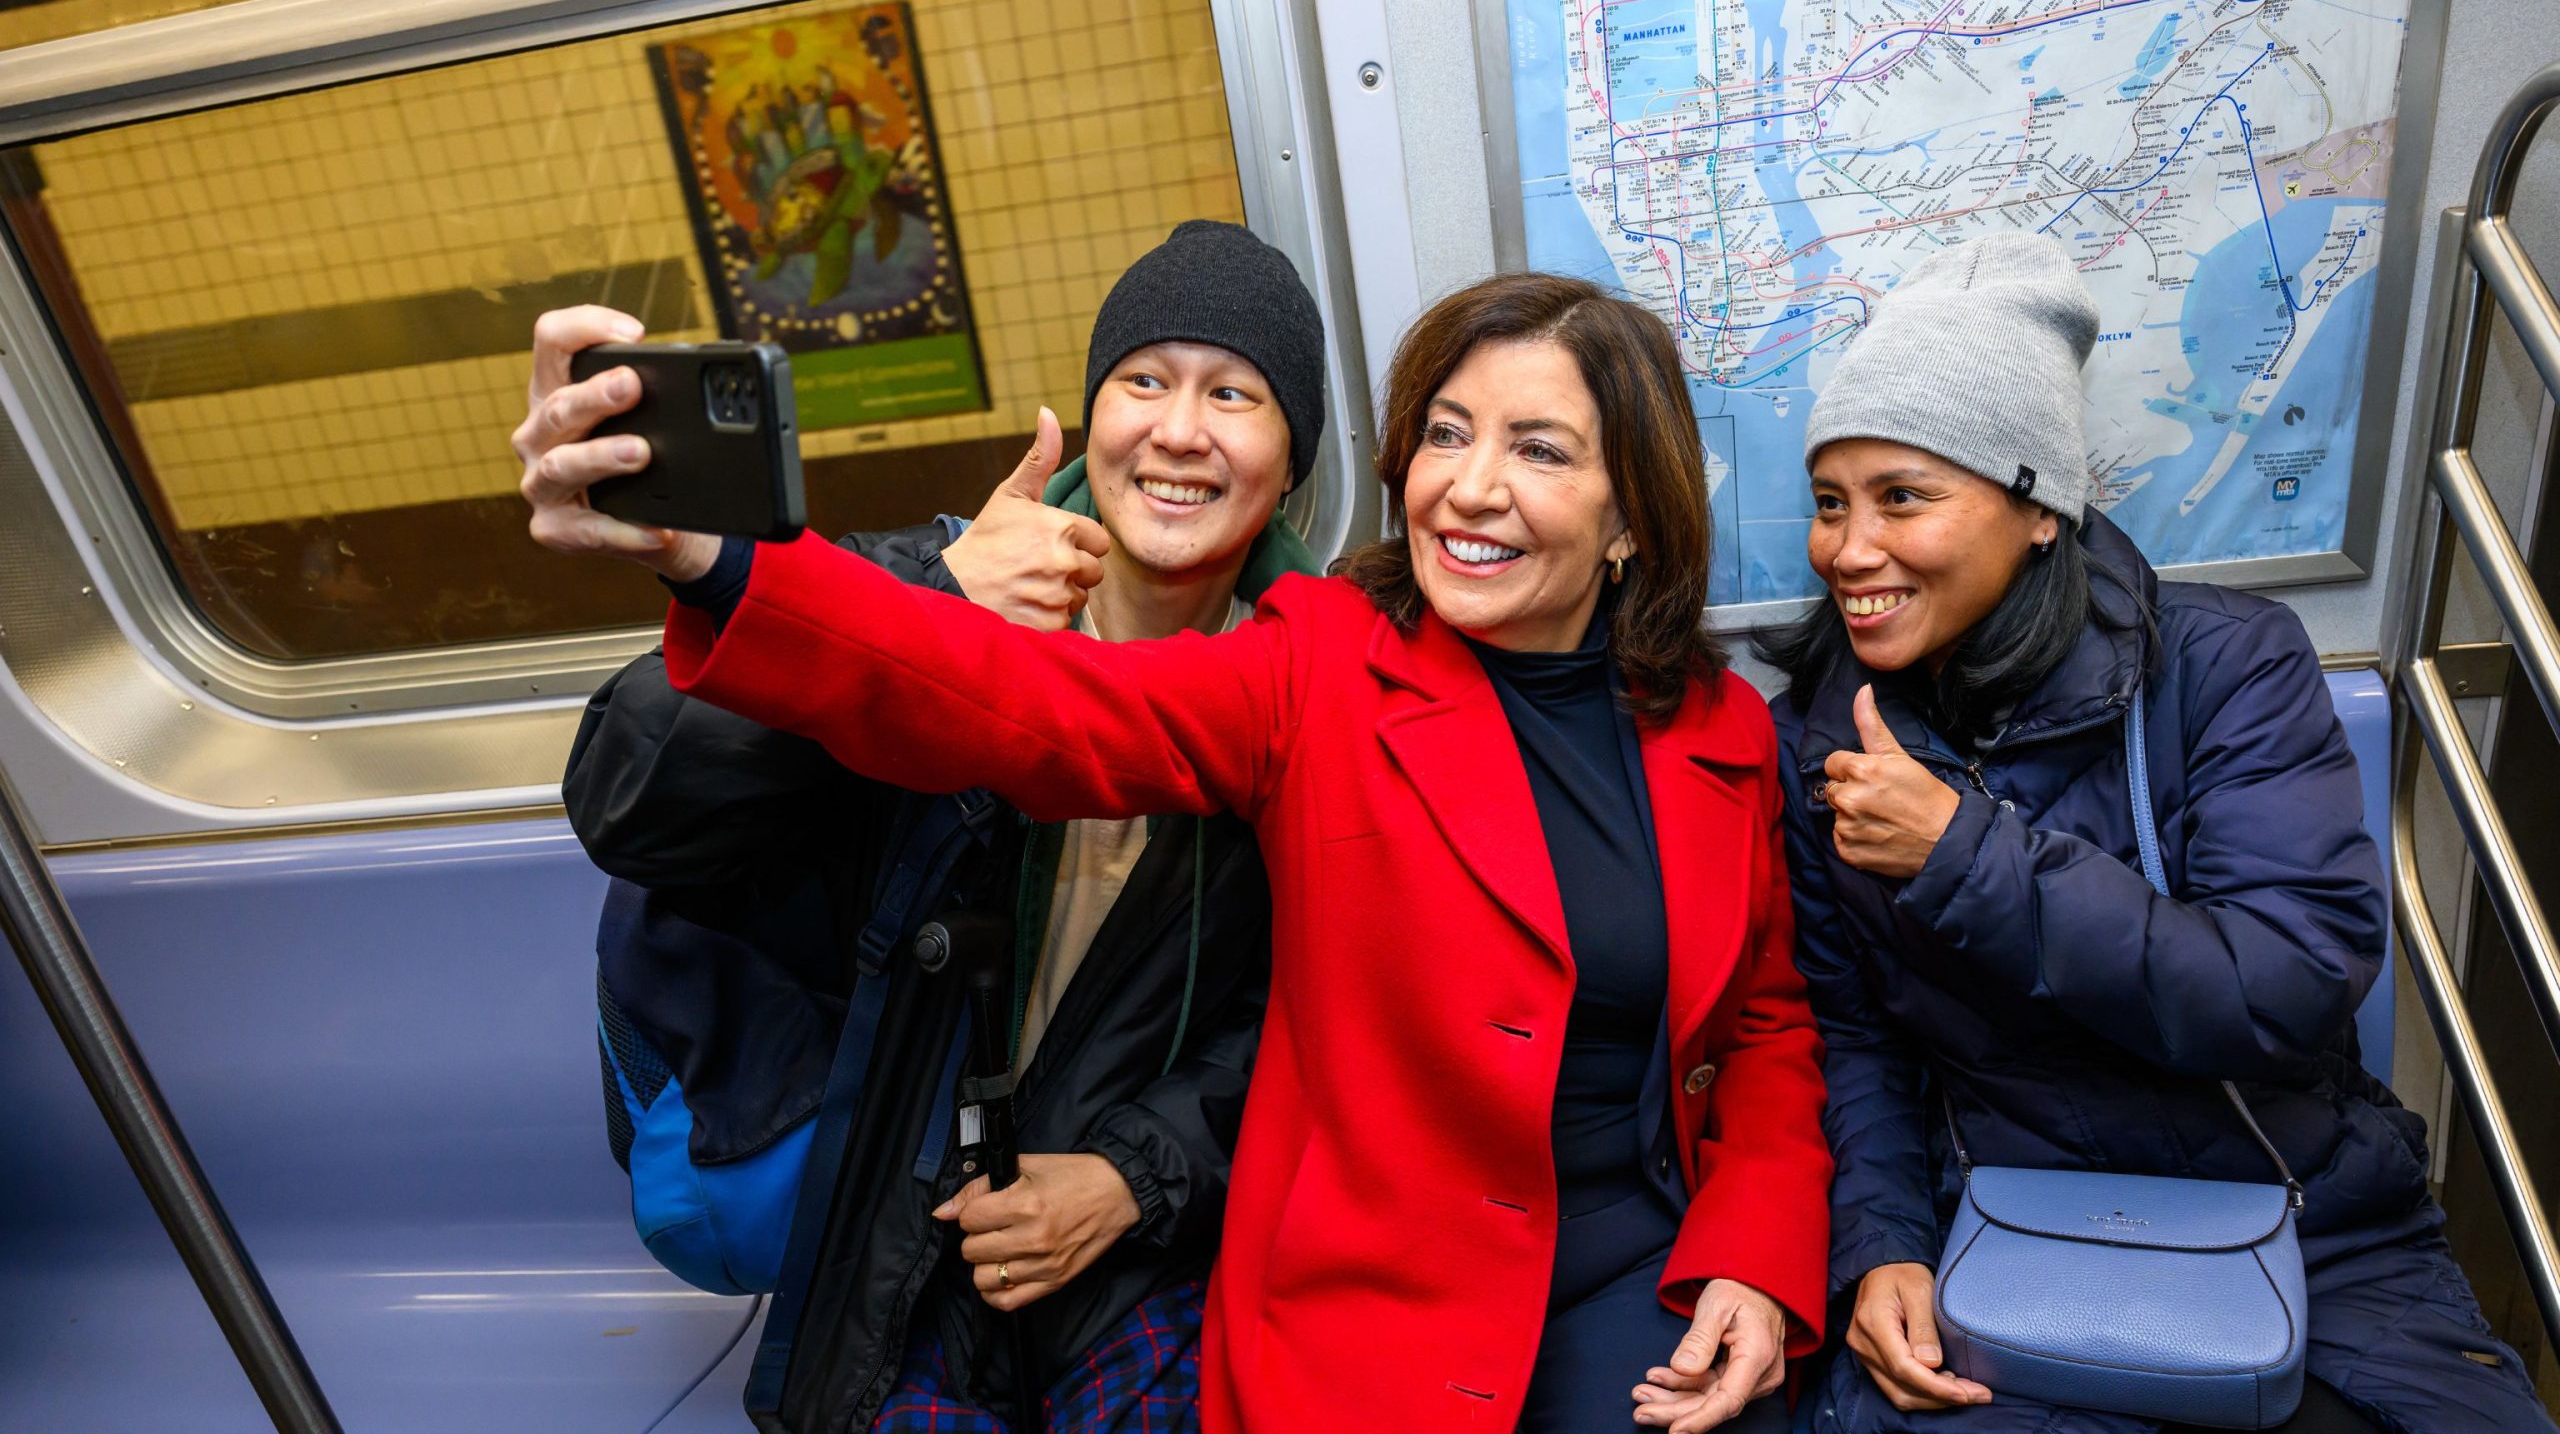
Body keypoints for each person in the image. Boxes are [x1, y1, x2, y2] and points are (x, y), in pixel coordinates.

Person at [522, 269, 1832, 1432]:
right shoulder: (1320, 663)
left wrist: (1758, 1255)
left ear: (1631, 520)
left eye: (1539, 450)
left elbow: (1764, 1027)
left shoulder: (1716, 732)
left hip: (1636, 1279)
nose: (1468, 486)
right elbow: (1033, 708)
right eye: (1444, 433)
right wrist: (710, 554)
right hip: (1383, 1311)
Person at [530, 221, 1333, 1432]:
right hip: (897, 1243)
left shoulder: (1309, 685)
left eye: (1235, 394)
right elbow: (637, 802)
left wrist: (1136, 1173)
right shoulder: (935, 588)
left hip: (1138, 1249)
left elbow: (1314, 1011)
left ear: (1291, 459)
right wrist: (939, 591)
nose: (1179, 430)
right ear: (1092, 412)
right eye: (1143, 382)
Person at [1757, 233, 2558, 1434]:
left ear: (2038, 512)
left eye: (1902, 499)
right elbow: (1855, 1038)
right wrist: (1879, 1249)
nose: (1848, 551)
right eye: (1830, 505)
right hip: (1997, 1215)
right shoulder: (1819, 734)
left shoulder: (2227, 667)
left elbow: (2288, 985)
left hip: (2298, 1211)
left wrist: (1969, 856)